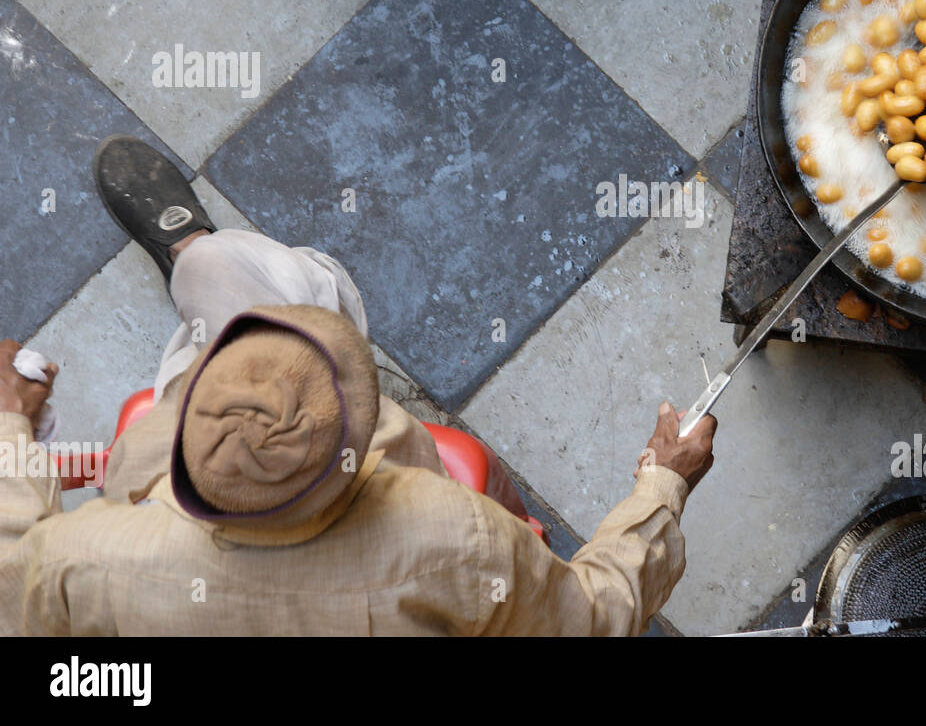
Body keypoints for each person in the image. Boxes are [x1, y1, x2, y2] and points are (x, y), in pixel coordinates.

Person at [0, 135, 716, 635]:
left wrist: (10, 426)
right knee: (272, 284)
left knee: (224, 288)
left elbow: (12, 584)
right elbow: (593, 618)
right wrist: (663, 487)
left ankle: (198, 262)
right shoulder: (451, 543)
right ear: (353, 457)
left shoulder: (90, 561)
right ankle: (211, 260)